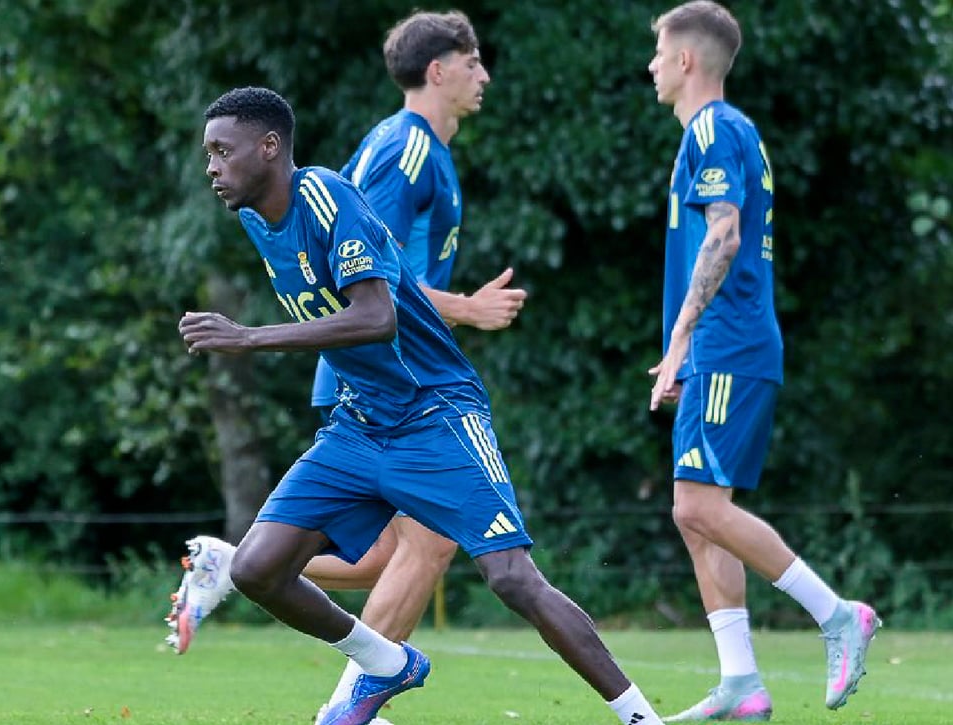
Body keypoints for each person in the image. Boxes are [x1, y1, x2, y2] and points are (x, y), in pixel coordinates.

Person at [182, 84, 665, 725]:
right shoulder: (254, 220)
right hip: (360, 424)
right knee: (257, 570)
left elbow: (377, 317)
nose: (211, 166)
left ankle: (640, 718)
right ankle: (386, 663)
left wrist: (249, 338)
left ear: (270, 147)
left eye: (222, 150)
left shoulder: (327, 196)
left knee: (511, 578)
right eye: (208, 153)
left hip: (436, 414)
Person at [165, 10, 526, 720]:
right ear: (438, 70)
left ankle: (234, 569)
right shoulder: (407, 150)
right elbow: (368, 278)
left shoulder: (423, 151)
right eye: (474, 60)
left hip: (379, 362)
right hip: (374, 372)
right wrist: (464, 308)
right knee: (427, 550)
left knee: (379, 559)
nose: (484, 74)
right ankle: (349, 706)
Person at [645, 2, 880, 720]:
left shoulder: (714, 127)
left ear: (687, 60)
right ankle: (741, 680)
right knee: (698, 514)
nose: (651, 66)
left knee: (697, 503)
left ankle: (837, 613)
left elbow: (724, 233)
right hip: (722, 349)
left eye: (658, 53)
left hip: (729, 344)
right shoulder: (726, 133)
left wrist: (683, 337)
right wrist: (679, 351)